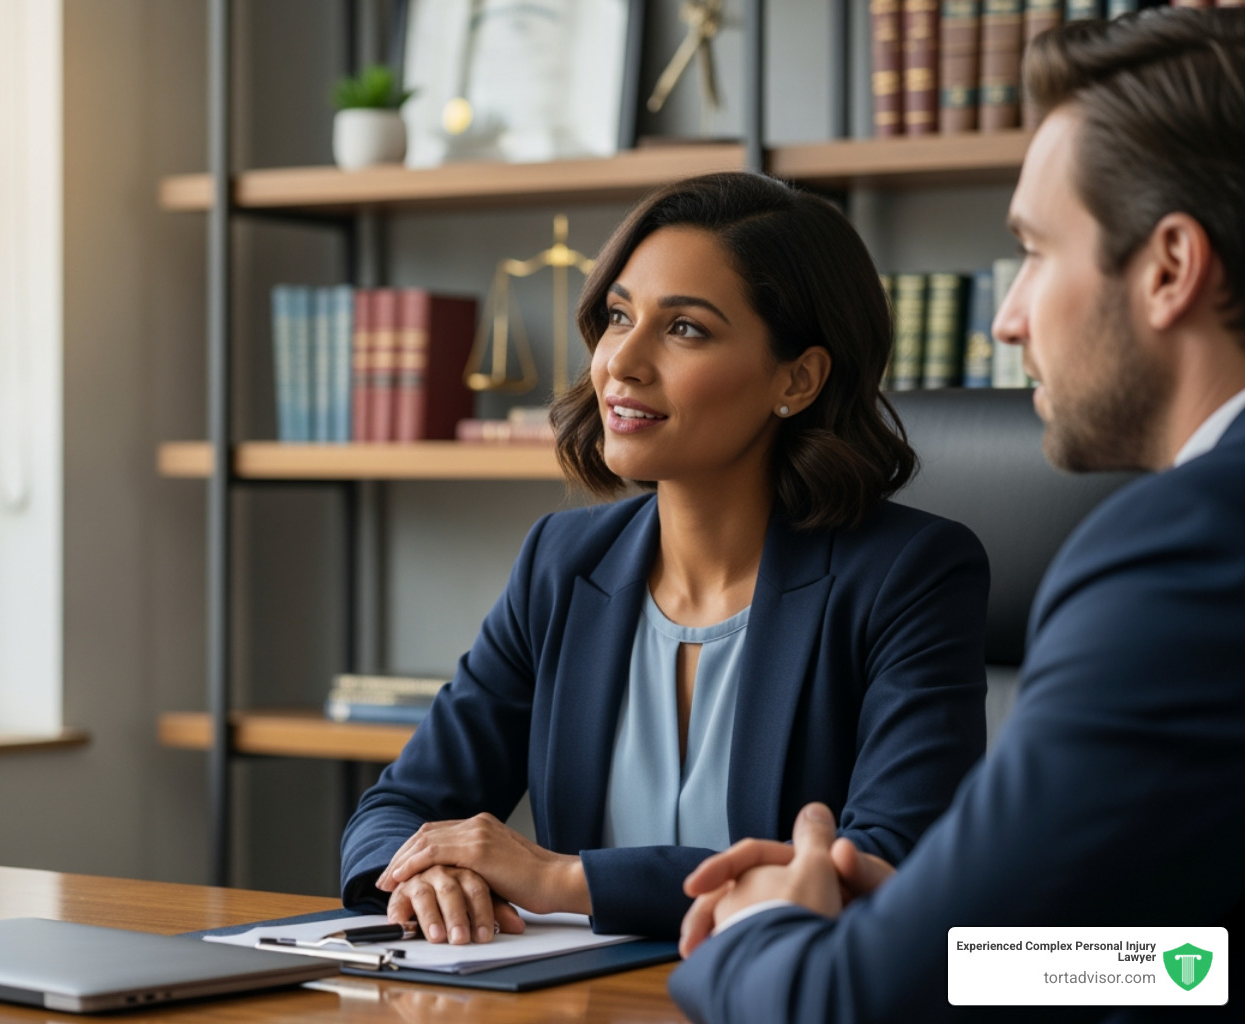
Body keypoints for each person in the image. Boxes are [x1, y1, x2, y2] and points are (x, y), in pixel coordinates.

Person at [670, 10, 1245, 1023]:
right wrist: (942, 933)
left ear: (1169, 267)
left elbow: (843, 1005)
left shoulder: (1185, 547)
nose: (1008, 316)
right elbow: (1198, 961)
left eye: (1032, 250)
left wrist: (761, 924)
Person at [338, 172, 990, 943]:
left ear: (798, 378)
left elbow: (881, 868)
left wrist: (565, 880)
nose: (622, 362)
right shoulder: (561, 561)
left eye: (685, 329)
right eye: (619, 316)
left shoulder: (910, 573)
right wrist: (431, 872)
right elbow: (393, 812)